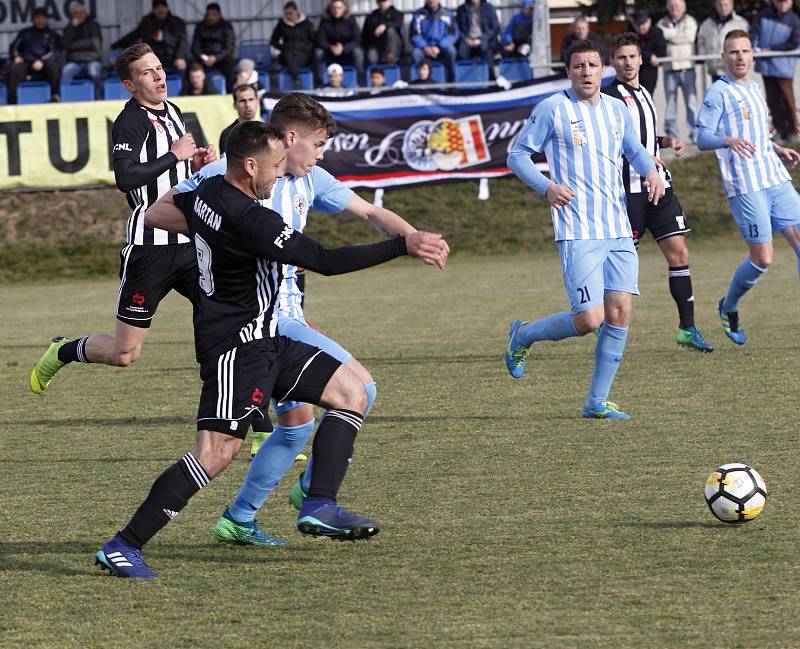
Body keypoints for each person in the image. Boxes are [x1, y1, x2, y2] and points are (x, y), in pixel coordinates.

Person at [94, 121, 448, 577]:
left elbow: (157, 213)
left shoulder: (206, 194)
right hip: (235, 351)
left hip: (270, 340)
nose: (281, 175)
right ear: (249, 165)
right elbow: (324, 260)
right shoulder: (254, 219)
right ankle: (124, 544)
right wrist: (402, 244)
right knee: (215, 453)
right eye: (276, 166)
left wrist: (208, 231)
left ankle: (319, 503)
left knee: (352, 393)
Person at [29, 44, 216, 395]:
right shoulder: (130, 121)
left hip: (191, 242)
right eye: (147, 72)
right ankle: (64, 350)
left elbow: (173, 173)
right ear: (130, 85)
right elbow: (126, 179)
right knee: (125, 353)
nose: (159, 76)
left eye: (158, 67)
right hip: (150, 248)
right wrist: (175, 154)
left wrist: (195, 166)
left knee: (227, 322)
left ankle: (258, 427)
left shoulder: (173, 110)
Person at [504, 39, 665, 420]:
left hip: (618, 227)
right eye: (579, 66)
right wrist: (547, 186)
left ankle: (596, 402)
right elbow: (517, 155)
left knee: (620, 313)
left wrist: (651, 172)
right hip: (577, 229)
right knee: (589, 319)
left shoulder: (616, 109)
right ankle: (523, 335)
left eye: (593, 65)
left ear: (603, 69)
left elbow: (635, 150)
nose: (587, 72)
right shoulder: (552, 109)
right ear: (568, 71)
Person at [603, 33, 713, 352]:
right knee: (620, 261)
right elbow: (608, 145)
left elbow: (645, 136)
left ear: (640, 59)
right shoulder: (609, 98)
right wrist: (637, 156)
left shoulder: (646, 94)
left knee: (679, 253)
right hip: (629, 191)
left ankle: (687, 328)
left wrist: (666, 142)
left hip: (659, 186)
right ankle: (600, 319)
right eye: (621, 57)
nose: (627, 62)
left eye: (632, 56)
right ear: (613, 62)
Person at [695, 30, 800, 345]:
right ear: (724, 57)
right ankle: (729, 306)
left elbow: (756, 134)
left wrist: (778, 148)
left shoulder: (755, 89)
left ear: (753, 55)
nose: (740, 57)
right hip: (745, 183)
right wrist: (727, 140)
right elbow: (702, 138)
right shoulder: (718, 92)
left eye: (744, 51)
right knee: (763, 259)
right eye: (733, 52)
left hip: (774, 175)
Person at [750, 0, 800, 143]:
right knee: (772, 100)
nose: (783, 4)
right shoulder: (764, 15)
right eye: (780, 1)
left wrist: (771, 49)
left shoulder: (794, 21)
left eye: (786, 1)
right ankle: (779, 129)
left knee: (787, 99)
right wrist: (752, 45)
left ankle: (792, 130)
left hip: (783, 68)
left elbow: (793, 43)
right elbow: (754, 31)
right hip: (766, 66)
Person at [657, 0, 698, 142]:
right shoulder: (661, 22)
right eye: (672, 6)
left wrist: (669, 35)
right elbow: (659, 38)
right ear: (668, 8)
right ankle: (672, 135)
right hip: (669, 68)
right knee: (671, 104)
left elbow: (689, 37)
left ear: (683, 8)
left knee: (691, 103)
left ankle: (695, 133)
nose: (675, 8)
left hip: (687, 68)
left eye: (678, 6)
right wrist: (677, 34)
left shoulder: (690, 21)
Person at [112, 0, 188, 75]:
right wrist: (115, 45)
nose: (161, 10)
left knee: (182, 65)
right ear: (154, 10)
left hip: (172, 59)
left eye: (163, 7)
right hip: (152, 58)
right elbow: (133, 35)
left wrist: (180, 57)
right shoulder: (147, 22)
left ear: (167, 8)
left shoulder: (177, 22)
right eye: (157, 8)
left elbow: (183, 42)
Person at [7, 7, 61, 104]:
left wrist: (41, 61)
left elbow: (54, 52)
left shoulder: (52, 35)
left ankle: (55, 96)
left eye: (42, 18)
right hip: (25, 62)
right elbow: (13, 47)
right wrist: (15, 57)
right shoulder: (25, 32)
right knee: (14, 69)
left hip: (43, 63)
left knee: (53, 68)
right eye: (38, 18)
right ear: (33, 19)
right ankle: (12, 101)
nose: (40, 21)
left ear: (46, 19)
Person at [697, 0, 748, 83]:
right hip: (715, 71)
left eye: (726, 5)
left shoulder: (741, 23)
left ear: (732, 5)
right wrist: (705, 58)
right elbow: (701, 42)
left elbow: (747, 45)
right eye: (720, 5)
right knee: (719, 95)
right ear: (716, 5)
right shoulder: (706, 24)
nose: (723, 8)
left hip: (735, 70)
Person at [191, 2, 237, 92]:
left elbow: (229, 47)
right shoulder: (200, 26)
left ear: (219, 15)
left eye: (214, 14)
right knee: (191, 67)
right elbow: (195, 46)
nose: (211, 17)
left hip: (221, 58)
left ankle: (231, 94)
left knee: (231, 68)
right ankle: (193, 93)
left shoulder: (226, 26)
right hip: (203, 58)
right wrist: (203, 57)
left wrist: (216, 58)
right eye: (209, 14)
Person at [61, 1, 103, 97]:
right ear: (72, 15)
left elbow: (94, 44)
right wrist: (72, 27)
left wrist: (73, 45)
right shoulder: (69, 27)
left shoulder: (93, 25)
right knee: (66, 71)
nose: (79, 15)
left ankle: (99, 97)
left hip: (91, 60)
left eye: (82, 12)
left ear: (86, 13)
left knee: (94, 72)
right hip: (74, 62)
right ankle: (65, 98)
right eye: (76, 13)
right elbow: (64, 45)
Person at [315, 0, 364, 83]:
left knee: (358, 52)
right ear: (330, 9)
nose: (336, 10)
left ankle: (361, 83)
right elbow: (320, 40)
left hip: (347, 51)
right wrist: (331, 48)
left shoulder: (351, 20)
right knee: (318, 53)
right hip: (330, 51)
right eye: (334, 8)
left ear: (344, 8)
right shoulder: (325, 20)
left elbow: (357, 39)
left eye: (339, 8)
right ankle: (321, 84)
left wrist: (344, 48)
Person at [410, 0, 459, 81]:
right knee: (415, 53)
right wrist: (425, 47)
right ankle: (419, 84)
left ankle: (451, 83)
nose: (431, 1)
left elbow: (452, 34)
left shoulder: (448, 14)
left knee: (451, 51)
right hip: (425, 48)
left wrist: (439, 47)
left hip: (442, 47)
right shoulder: (418, 15)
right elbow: (414, 35)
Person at [271, 1, 316, 87]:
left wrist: (306, 48)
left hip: (303, 54)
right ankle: (297, 78)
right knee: (288, 55)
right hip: (287, 54)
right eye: (286, 14)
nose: (288, 16)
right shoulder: (281, 24)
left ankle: (296, 78)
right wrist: (284, 47)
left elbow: (314, 40)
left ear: (296, 11)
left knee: (293, 59)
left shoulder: (307, 24)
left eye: (290, 13)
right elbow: (273, 40)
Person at [628, 9, 666, 95]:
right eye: (638, 24)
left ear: (649, 22)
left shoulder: (657, 33)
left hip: (649, 71)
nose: (641, 27)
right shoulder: (629, 34)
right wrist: (650, 56)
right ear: (634, 24)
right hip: (632, 70)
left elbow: (662, 51)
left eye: (643, 23)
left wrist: (650, 57)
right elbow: (631, 50)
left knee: (647, 95)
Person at [455, 0, 499, 73]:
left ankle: (491, 79)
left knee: (486, 51)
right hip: (467, 39)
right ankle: (466, 79)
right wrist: (465, 39)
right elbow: (457, 28)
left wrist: (481, 39)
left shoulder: (489, 8)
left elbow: (494, 28)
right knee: (462, 53)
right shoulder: (461, 9)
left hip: (484, 39)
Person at [219, 84, 260, 154]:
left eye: (251, 99)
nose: (247, 105)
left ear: (257, 102)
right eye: (242, 101)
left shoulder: (266, 131)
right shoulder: (228, 134)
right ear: (235, 105)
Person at [362, 0, 404, 65]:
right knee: (371, 58)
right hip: (376, 45)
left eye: (384, 1)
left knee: (390, 31)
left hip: (394, 46)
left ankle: (390, 57)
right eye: (379, 1)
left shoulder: (397, 14)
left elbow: (398, 24)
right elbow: (365, 34)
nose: (382, 3)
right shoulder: (371, 16)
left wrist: (385, 26)